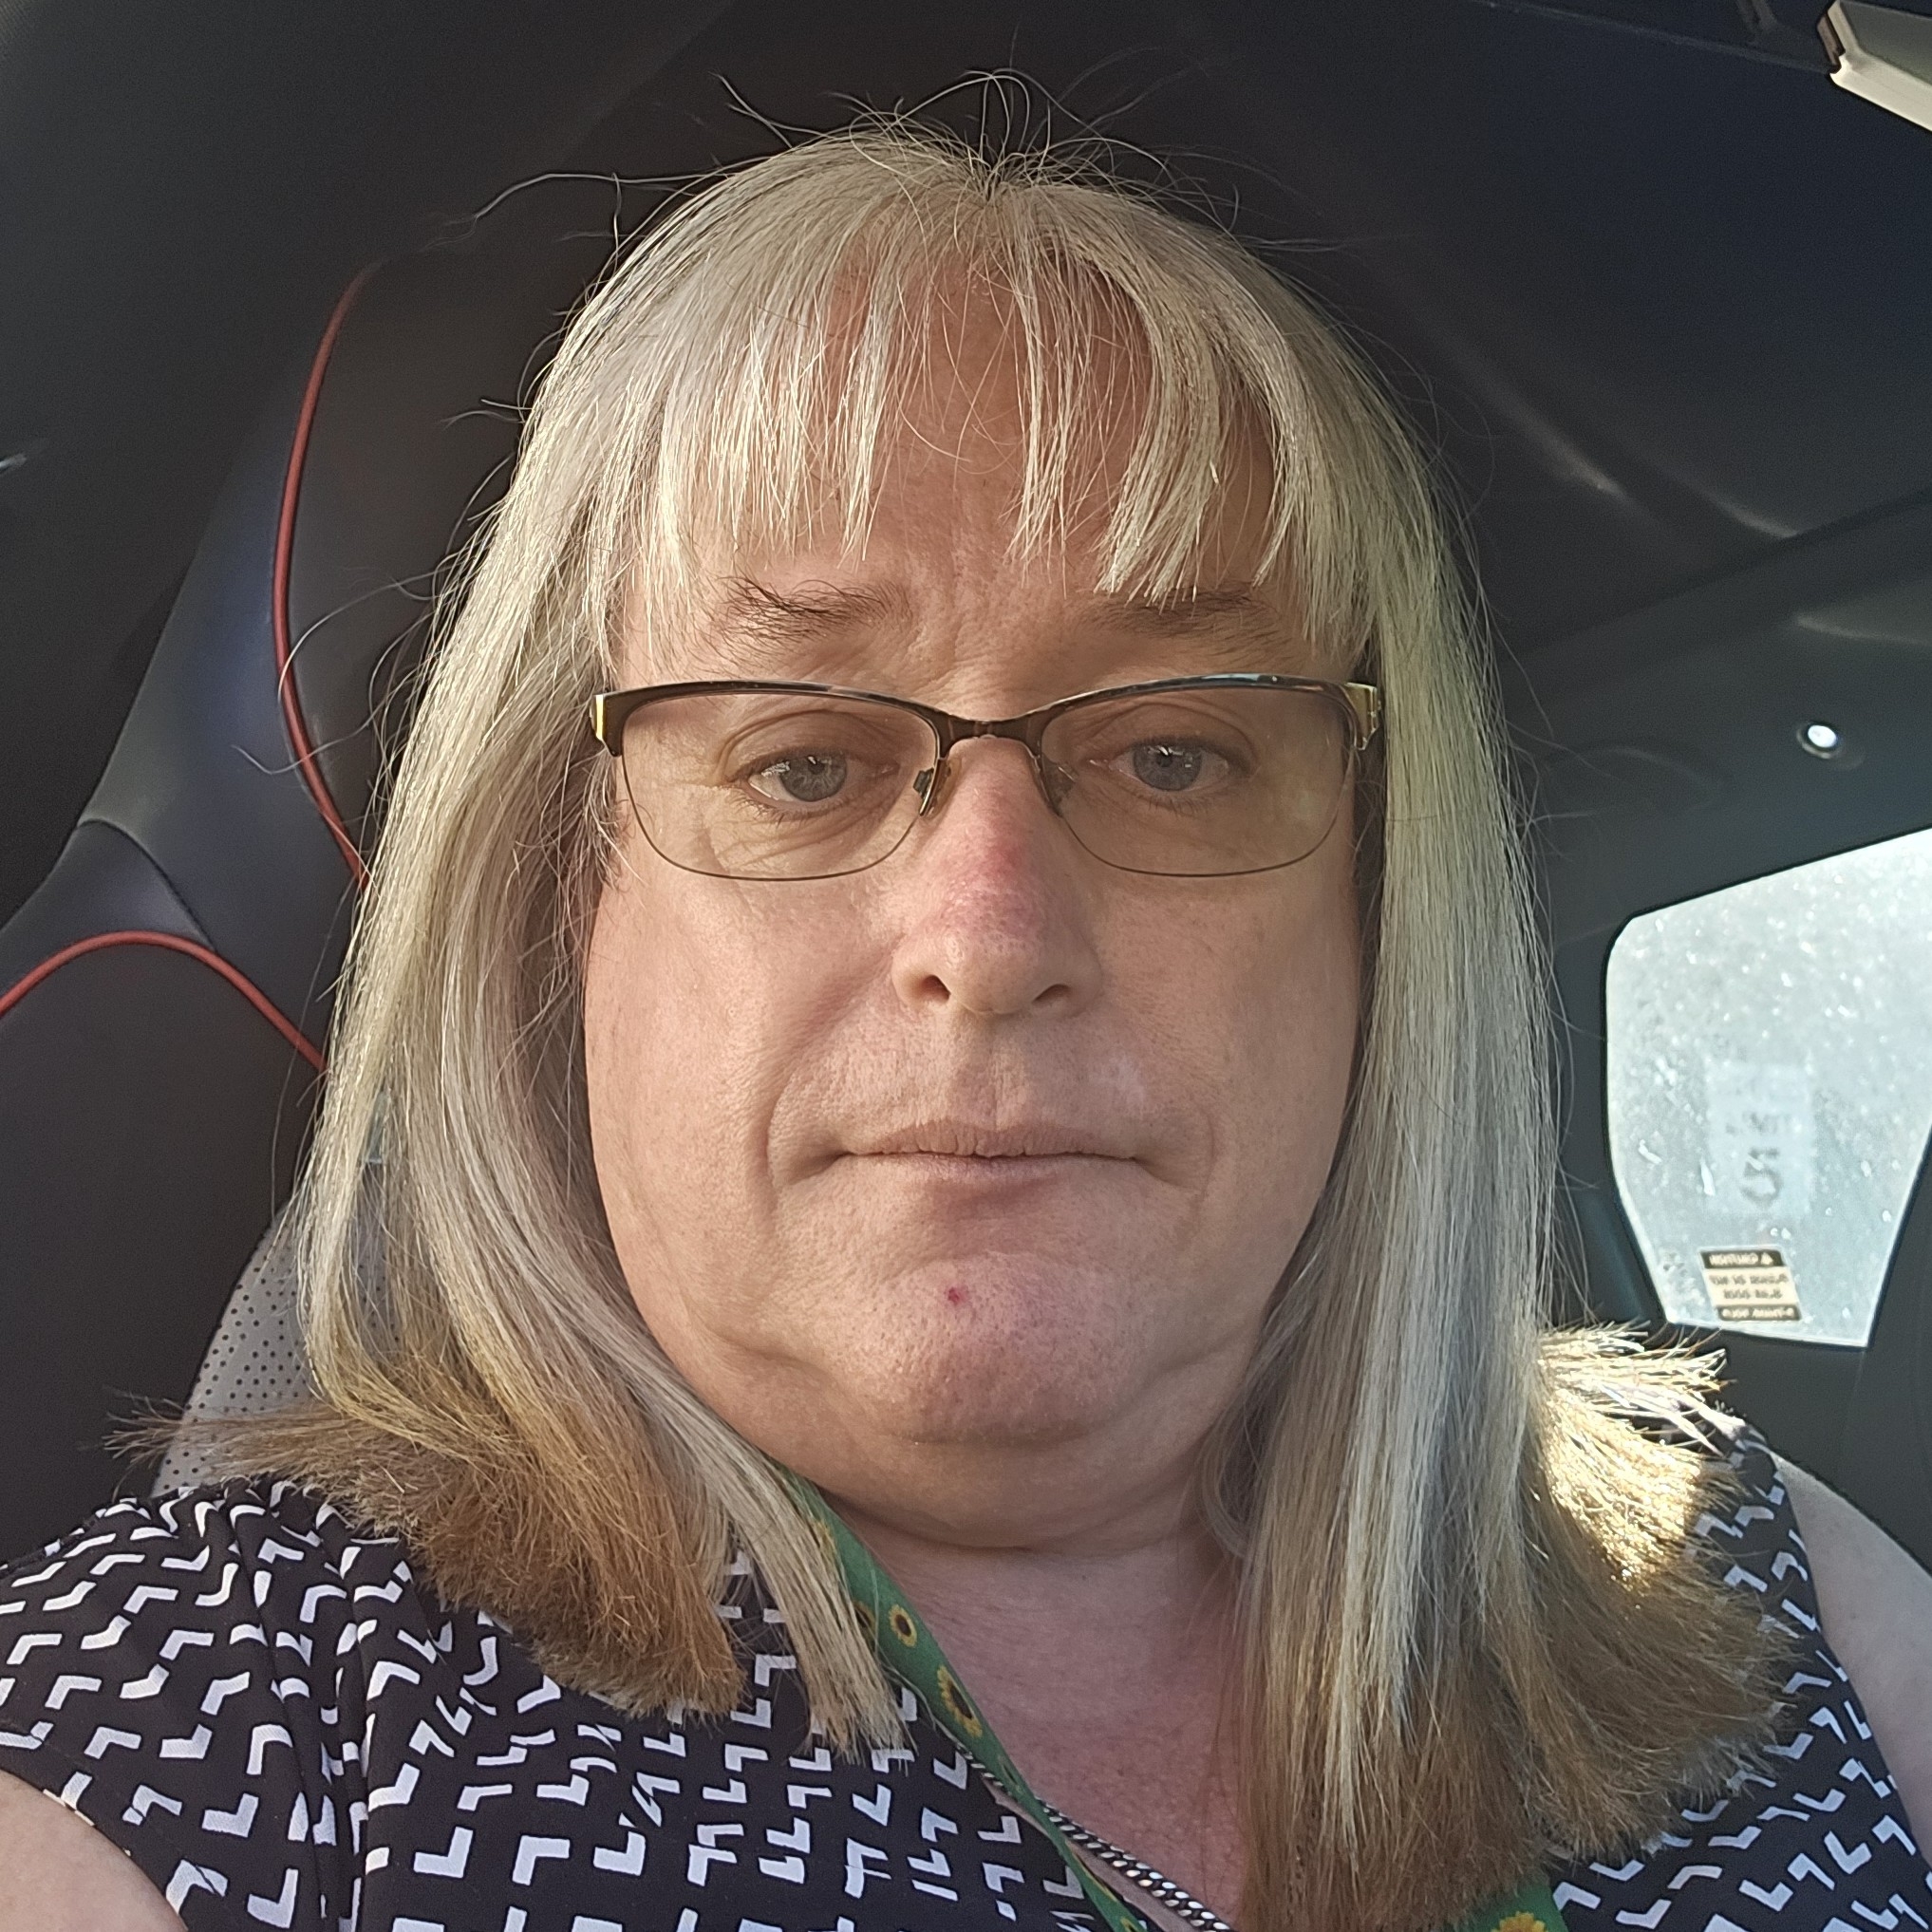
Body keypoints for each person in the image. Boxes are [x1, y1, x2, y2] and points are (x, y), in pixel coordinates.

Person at [1, 126, 1927, 1932]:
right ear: (562, 907)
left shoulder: (1745, 1576)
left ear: (1376, 907)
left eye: (1176, 755)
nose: (990, 937)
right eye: (804, 761)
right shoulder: (220, 1721)